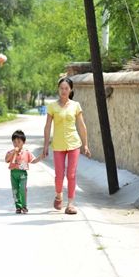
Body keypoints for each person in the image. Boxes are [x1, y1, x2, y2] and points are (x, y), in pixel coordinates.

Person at [43, 77, 91, 215]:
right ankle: (59, 195)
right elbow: (47, 127)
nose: (63, 91)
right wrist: (45, 145)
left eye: (66, 88)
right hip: (58, 145)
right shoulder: (52, 106)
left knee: (71, 174)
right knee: (59, 175)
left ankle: (70, 204)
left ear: (70, 90)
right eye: (61, 88)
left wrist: (85, 144)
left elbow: (81, 126)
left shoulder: (75, 105)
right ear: (58, 90)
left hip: (73, 144)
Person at [5, 130, 41, 214]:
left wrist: (41, 157)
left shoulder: (26, 152)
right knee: (15, 190)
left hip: (22, 174)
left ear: (23, 142)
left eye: (19, 142)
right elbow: (6, 160)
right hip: (13, 173)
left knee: (22, 189)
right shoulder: (10, 152)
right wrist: (13, 152)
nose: (16, 144)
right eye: (14, 142)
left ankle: (24, 206)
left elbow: (33, 161)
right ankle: (18, 206)